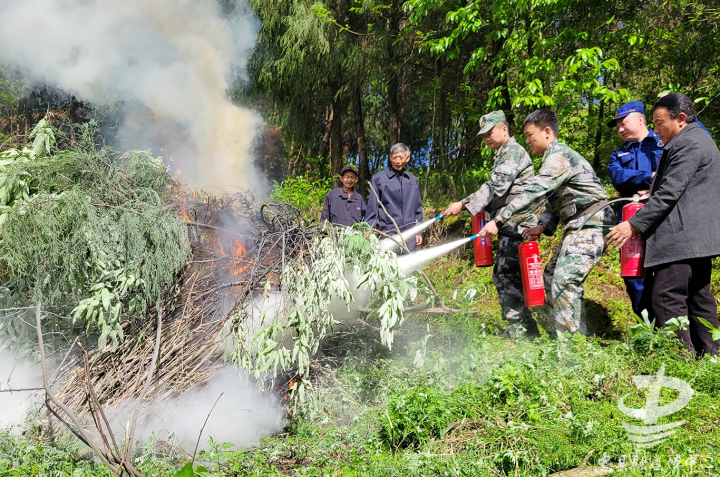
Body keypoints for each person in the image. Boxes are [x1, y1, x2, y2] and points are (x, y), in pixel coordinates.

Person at [480, 109, 614, 335]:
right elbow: (554, 199)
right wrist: (542, 225)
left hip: (592, 221)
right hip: (578, 224)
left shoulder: (558, 156)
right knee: (551, 277)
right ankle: (559, 335)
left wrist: (500, 219)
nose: (527, 141)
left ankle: (571, 346)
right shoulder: (552, 158)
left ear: (547, 132)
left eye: (530, 135)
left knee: (565, 280)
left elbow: (535, 190)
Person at [607, 94, 720, 357]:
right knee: (698, 298)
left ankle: (680, 361)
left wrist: (633, 225)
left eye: (659, 123)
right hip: (696, 237)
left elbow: (670, 192)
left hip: (681, 237)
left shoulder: (688, 142)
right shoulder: (696, 139)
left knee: (666, 296)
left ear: (680, 119)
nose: (656, 130)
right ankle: (711, 357)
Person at [445, 110, 542, 337]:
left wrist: (463, 203)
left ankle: (520, 330)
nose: (486, 138)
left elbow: (494, 187)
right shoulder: (503, 154)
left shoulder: (512, 153)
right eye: (483, 135)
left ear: (504, 129)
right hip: (510, 221)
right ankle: (526, 329)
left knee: (506, 274)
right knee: (508, 274)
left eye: (490, 132)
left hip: (518, 221)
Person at [607, 100, 663, 317]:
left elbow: (672, 172)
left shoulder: (662, 143)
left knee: (663, 275)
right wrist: (650, 176)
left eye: (623, 122)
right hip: (629, 223)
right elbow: (618, 178)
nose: (620, 129)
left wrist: (651, 185)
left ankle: (668, 327)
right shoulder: (618, 155)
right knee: (633, 276)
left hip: (660, 219)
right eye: (617, 126)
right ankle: (647, 326)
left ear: (640, 119)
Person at [365, 143, 423, 252]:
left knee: (409, 262)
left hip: (409, 233)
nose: (397, 161)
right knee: (388, 261)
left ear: (407, 158)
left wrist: (418, 231)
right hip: (388, 232)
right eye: (395, 157)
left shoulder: (413, 180)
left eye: (401, 157)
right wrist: (368, 228)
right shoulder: (378, 178)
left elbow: (417, 208)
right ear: (390, 157)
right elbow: (372, 207)